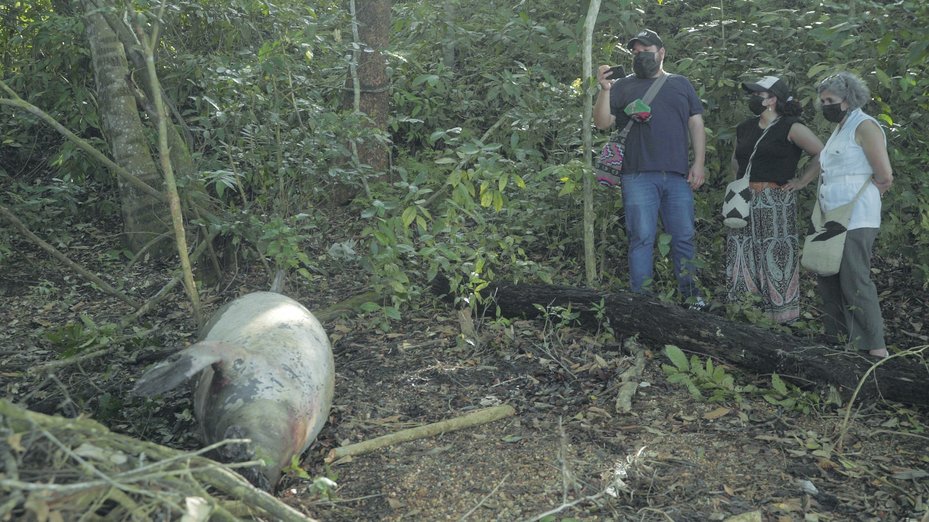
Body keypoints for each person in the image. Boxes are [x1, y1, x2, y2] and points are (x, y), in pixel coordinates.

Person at [594, 29, 706, 306]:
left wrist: (699, 163)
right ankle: (643, 299)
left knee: (683, 236)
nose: (640, 55)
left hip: (678, 175)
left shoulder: (681, 84)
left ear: (661, 53)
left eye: (646, 50)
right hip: (637, 174)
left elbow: (696, 124)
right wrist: (604, 90)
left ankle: (692, 297)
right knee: (641, 237)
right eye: (635, 52)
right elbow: (602, 123)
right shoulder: (621, 85)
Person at [726, 76, 824, 323]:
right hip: (744, 199)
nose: (753, 98)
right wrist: (735, 186)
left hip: (775, 200)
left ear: (773, 99)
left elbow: (821, 153)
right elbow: (736, 159)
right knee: (742, 251)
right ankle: (745, 311)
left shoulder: (791, 126)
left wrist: (801, 181)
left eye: (759, 94)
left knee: (775, 254)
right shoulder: (745, 127)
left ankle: (781, 316)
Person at [814, 71, 893, 357]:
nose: (825, 105)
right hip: (831, 216)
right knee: (828, 275)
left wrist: (866, 199)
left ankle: (875, 347)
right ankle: (839, 339)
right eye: (822, 100)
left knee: (854, 279)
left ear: (848, 100)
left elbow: (884, 175)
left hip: (857, 216)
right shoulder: (840, 128)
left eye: (830, 100)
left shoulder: (865, 126)